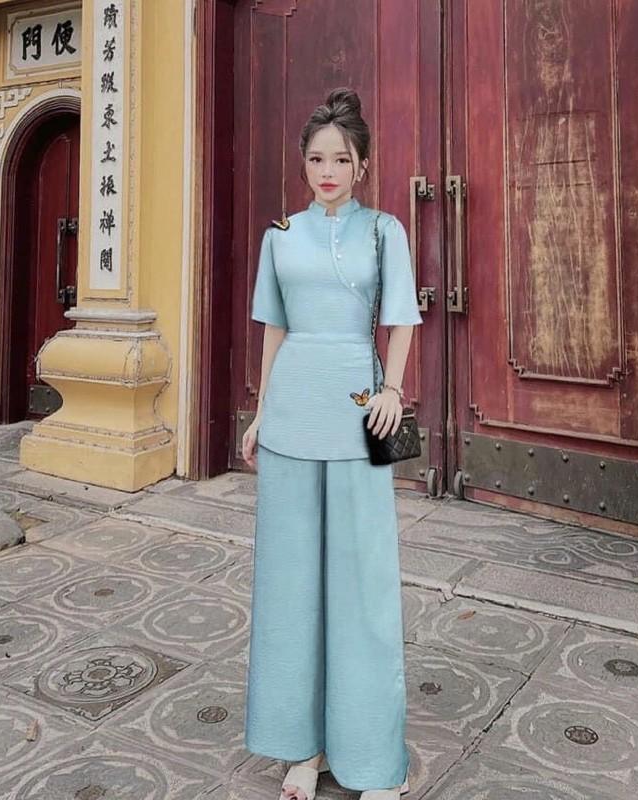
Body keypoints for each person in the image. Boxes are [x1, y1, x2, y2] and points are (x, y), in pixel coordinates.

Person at [242, 86, 423, 800]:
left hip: (358, 415)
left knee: (361, 587)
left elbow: (402, 319)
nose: (327, 171)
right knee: (290, 589)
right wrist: (260, 414)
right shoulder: (280, 235)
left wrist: (393, 390)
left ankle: (376, 760)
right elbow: (274, 328)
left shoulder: (385, 231)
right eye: (316, 158)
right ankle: (302, 749)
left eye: (341, 159)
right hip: (291, 414)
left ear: (362, 165)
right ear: (303, 163)